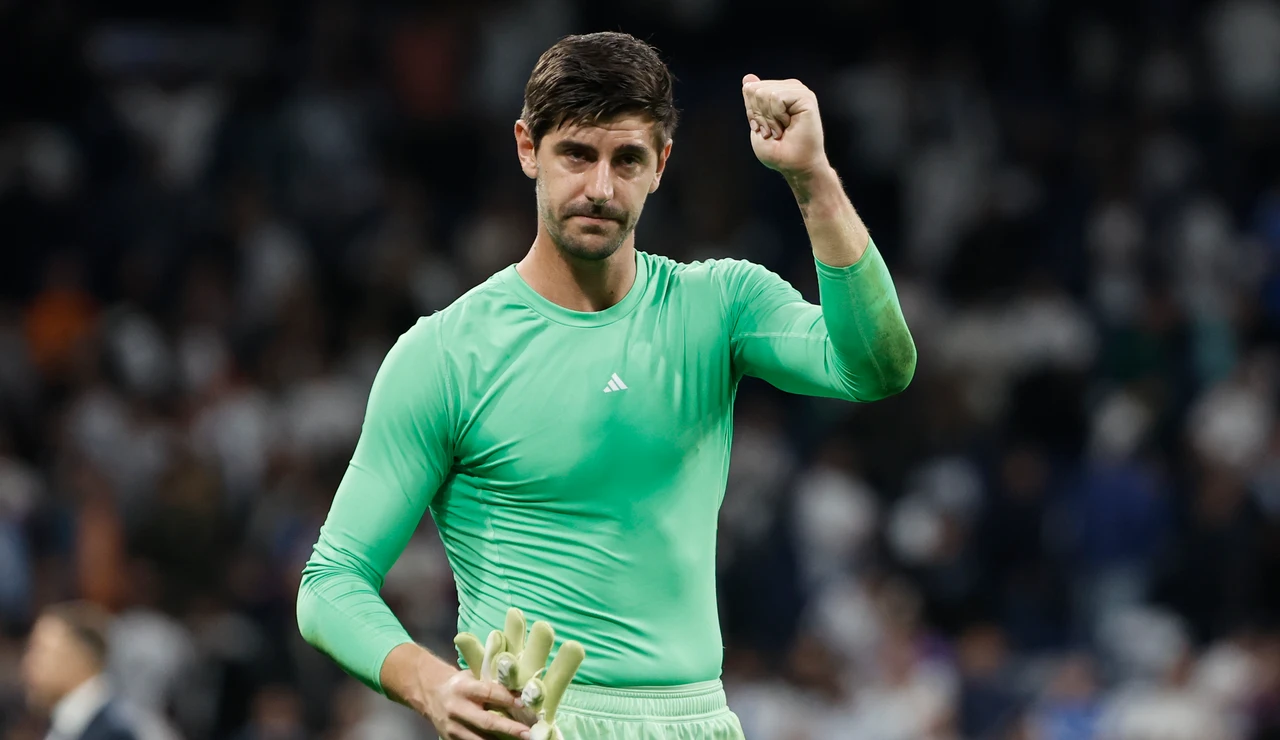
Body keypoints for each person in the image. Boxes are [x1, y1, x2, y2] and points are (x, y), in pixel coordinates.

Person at [297, 31, 916, 740]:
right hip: (535, 726)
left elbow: (877, 368)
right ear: (528, 149)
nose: (600, 187)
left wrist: (811, 178)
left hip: (698, 723)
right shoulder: (445, 355)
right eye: (576, 154)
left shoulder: (721, 306)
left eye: (627, 160)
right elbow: (330, 583)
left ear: (661, 164)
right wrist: (431, 685)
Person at [21, 601, 139, 740]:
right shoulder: (66, 725)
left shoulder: (113, 732)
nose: (27, 663)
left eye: (41, 650)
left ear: (81, 657)